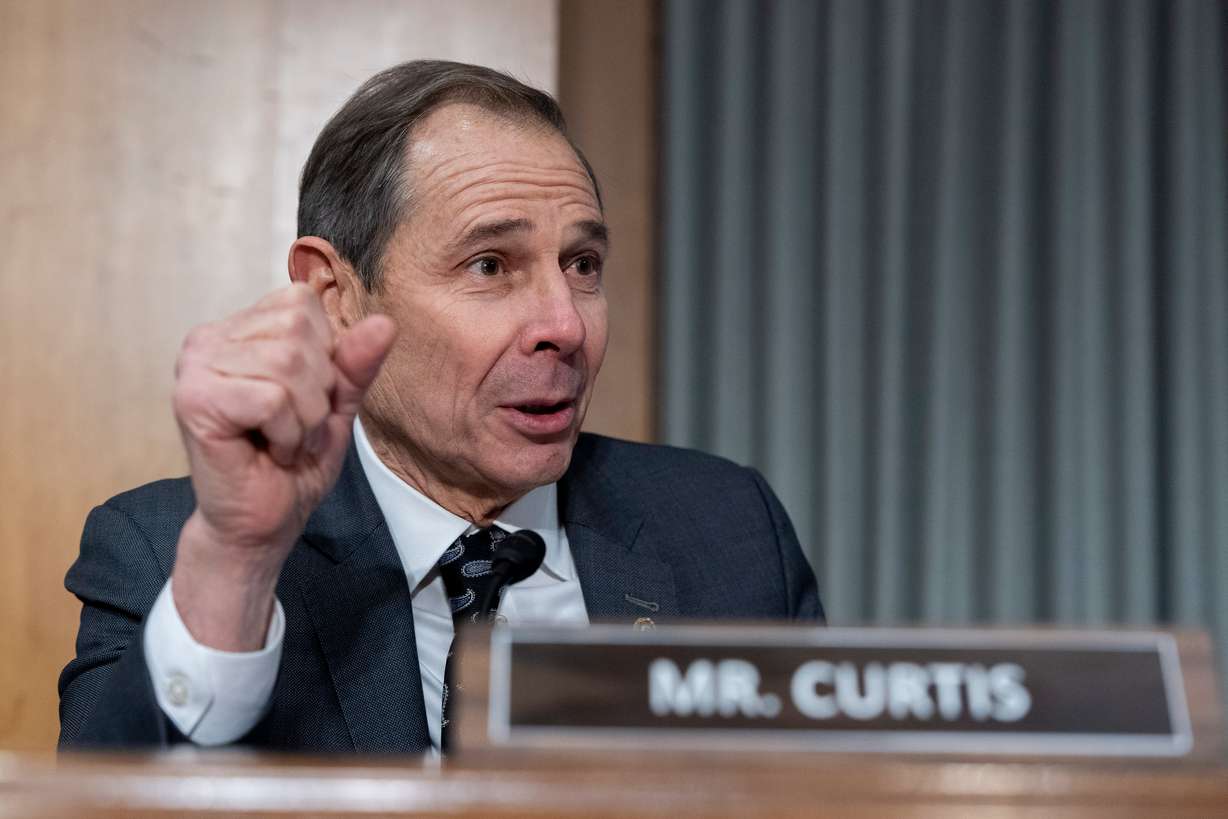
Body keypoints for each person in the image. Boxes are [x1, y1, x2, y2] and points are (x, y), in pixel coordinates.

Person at [58, 60, 822, 754]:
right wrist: (237, 569)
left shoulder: (728, 530)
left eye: (582, 264)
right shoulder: (169, 555)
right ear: (336, 295)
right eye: (490, 264)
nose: (565, 324)